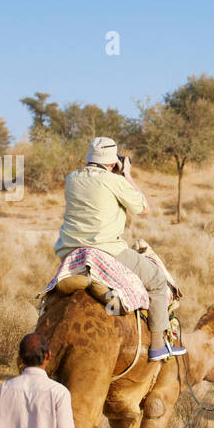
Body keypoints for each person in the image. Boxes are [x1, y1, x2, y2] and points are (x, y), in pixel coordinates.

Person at [55, 137, 184, 361]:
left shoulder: (71, 179)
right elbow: (143, 209)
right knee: (156, 281)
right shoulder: (115, 181)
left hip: (70, 253)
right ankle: (157, 346)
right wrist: (127, 175)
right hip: (106, 251)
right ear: (113, 162)